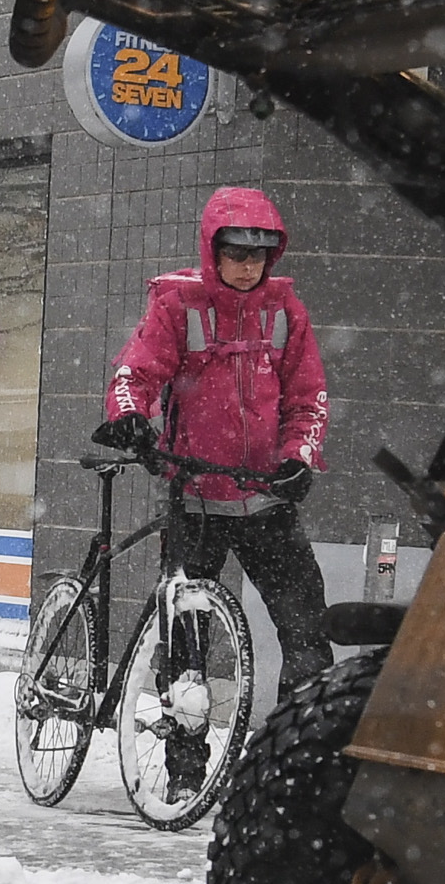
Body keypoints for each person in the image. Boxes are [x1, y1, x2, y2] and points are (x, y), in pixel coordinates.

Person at [96, 184, 332, 696]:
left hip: (266, 497)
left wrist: (300, 457)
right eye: (236, 253)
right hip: (197, 498)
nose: (250, 266)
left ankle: (302, 754)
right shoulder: (178, 307)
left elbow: (308, 397)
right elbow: (133, 374)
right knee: (185, 650)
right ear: (212, 251)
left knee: (309, 633)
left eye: (260, 255)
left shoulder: (286, 313)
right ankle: (184, 769)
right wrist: (131, 417)